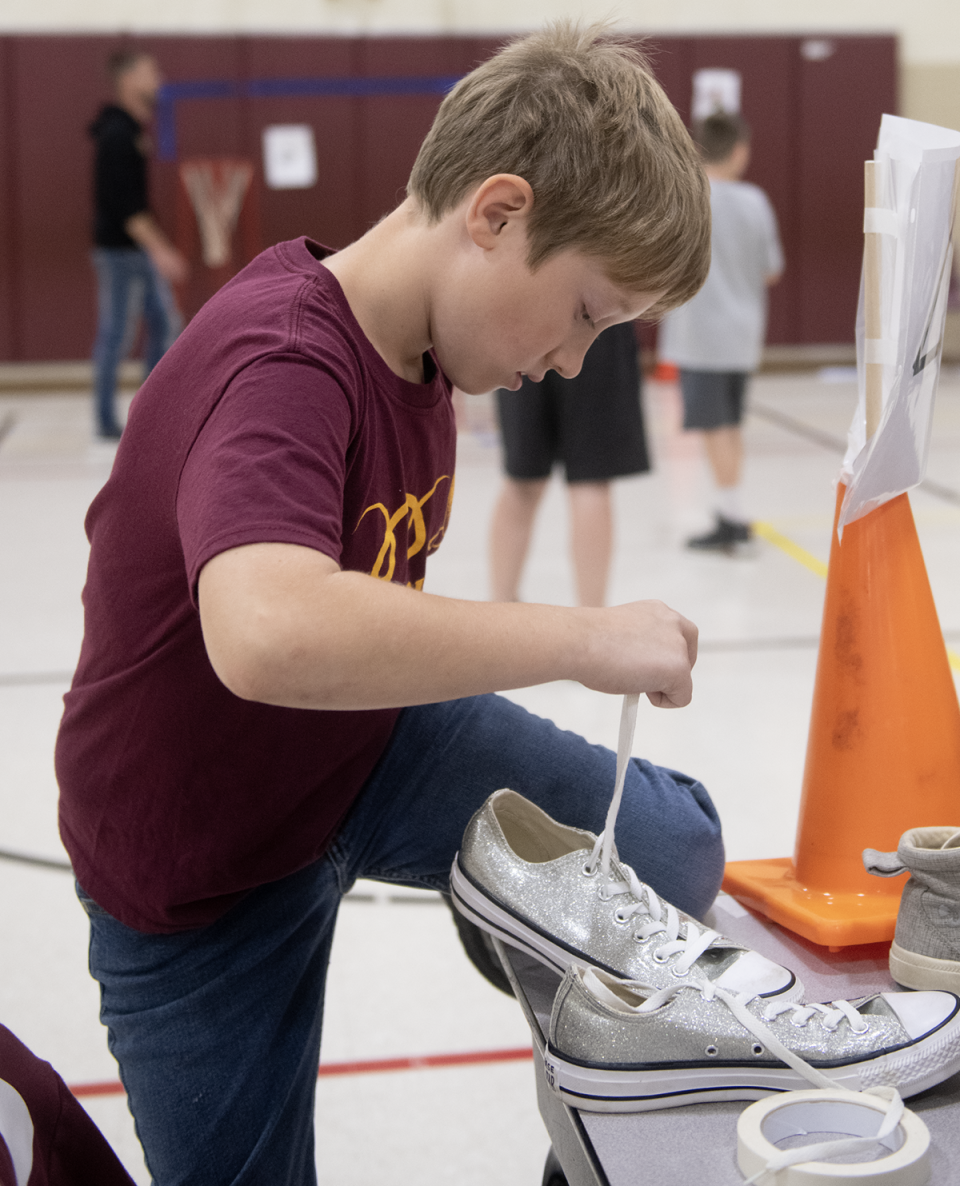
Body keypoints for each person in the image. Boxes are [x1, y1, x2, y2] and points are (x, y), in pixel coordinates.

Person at [55, 25, 717, 1184]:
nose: (573, 363)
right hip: (197, 868)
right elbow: (269, 632)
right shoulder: (284, 359)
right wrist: (581, 637)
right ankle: (509, 907)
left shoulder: (429, 352)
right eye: (587, 314)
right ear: (497, 213)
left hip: (357, 754)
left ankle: (532, 970)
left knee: (676, 844)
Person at [658, 110, 783, 551]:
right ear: (740, 150)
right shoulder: (756, 201)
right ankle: (732, 509)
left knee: (715, 429)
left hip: (700, 338)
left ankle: (731, 516)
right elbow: (771, 270)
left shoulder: (686, 198)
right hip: (743, 335)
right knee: (729, 426)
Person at [490, 321, 649, 607]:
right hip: (600, 322)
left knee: (522, 480)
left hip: (523, 321)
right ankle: (592, 618)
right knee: (590, 481)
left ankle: (501, 605)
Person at [89, 50, 188, 440]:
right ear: (128, 80)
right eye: (150, 72)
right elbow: (128, 209)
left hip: (133, 250)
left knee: (164, 324)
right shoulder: (117, 135)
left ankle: (150, 413)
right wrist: (162, 251)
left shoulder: (131, 130)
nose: (159, 79)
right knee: (116, 333)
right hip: (121, 251)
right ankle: (105, 419)